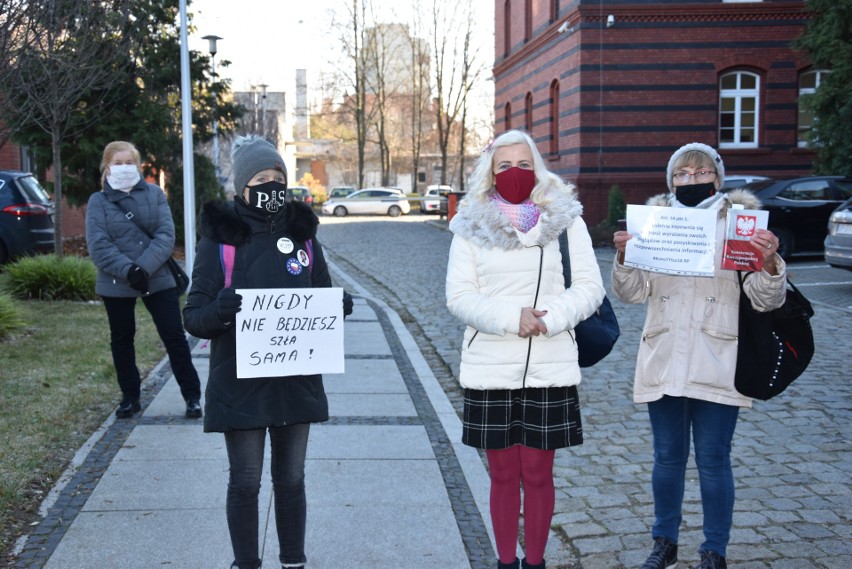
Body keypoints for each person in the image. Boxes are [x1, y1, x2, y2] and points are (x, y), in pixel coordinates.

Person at [611, 143, 787, 569]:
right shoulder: (654, 224)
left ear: (717, 177)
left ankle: (714, 551)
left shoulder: (739, 225)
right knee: (667, 459)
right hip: (665, 352)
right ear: (670, 181)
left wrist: (769, 263)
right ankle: (664, 543)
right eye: (681, 174)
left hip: (718, 355)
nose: (691, 180)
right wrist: (624, 256)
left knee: (713, 460)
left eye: (700, 172)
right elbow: (631, 293)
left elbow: (765, 302)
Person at [182, 135, 351, 569]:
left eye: (277, 177)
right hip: (240, 382)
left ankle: (293, 560)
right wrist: (220, 310)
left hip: (296, 380)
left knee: (292, 480)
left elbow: (319, 295)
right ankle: (247, 563)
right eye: (261, 178)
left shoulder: (303, 234)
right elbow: (194, 315)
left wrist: (337, 307)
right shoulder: (220, 239)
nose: (271, 185)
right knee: (245, 481)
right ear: (242, 186)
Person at [445, 129, 605, 569]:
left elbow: (590, 287)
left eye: (522, 164)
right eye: (503, 166)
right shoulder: (470, 226)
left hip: (549, 364)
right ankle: (504, 562)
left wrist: (549, 318)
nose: (514, 173)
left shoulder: (566, 221)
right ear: (489, 174)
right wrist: (510, 317)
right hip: (490, 365)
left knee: (537, 475)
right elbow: (459, 296)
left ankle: (535, 562)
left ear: (536, 168)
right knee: (501, 475)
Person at [86, 140, 202, 420]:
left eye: (129, 163)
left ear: (137, 166)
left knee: (174, 336)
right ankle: (130, 398)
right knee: (122, 339)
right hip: (116, 280)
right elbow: (99, 245)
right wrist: (128, 271)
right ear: (106, 166)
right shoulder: (98, 201)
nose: (124, 168)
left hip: (157, 277)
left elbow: (165, 235)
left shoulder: (154, 194)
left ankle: (192, 397)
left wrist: (143, 269)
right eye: (118, 163)